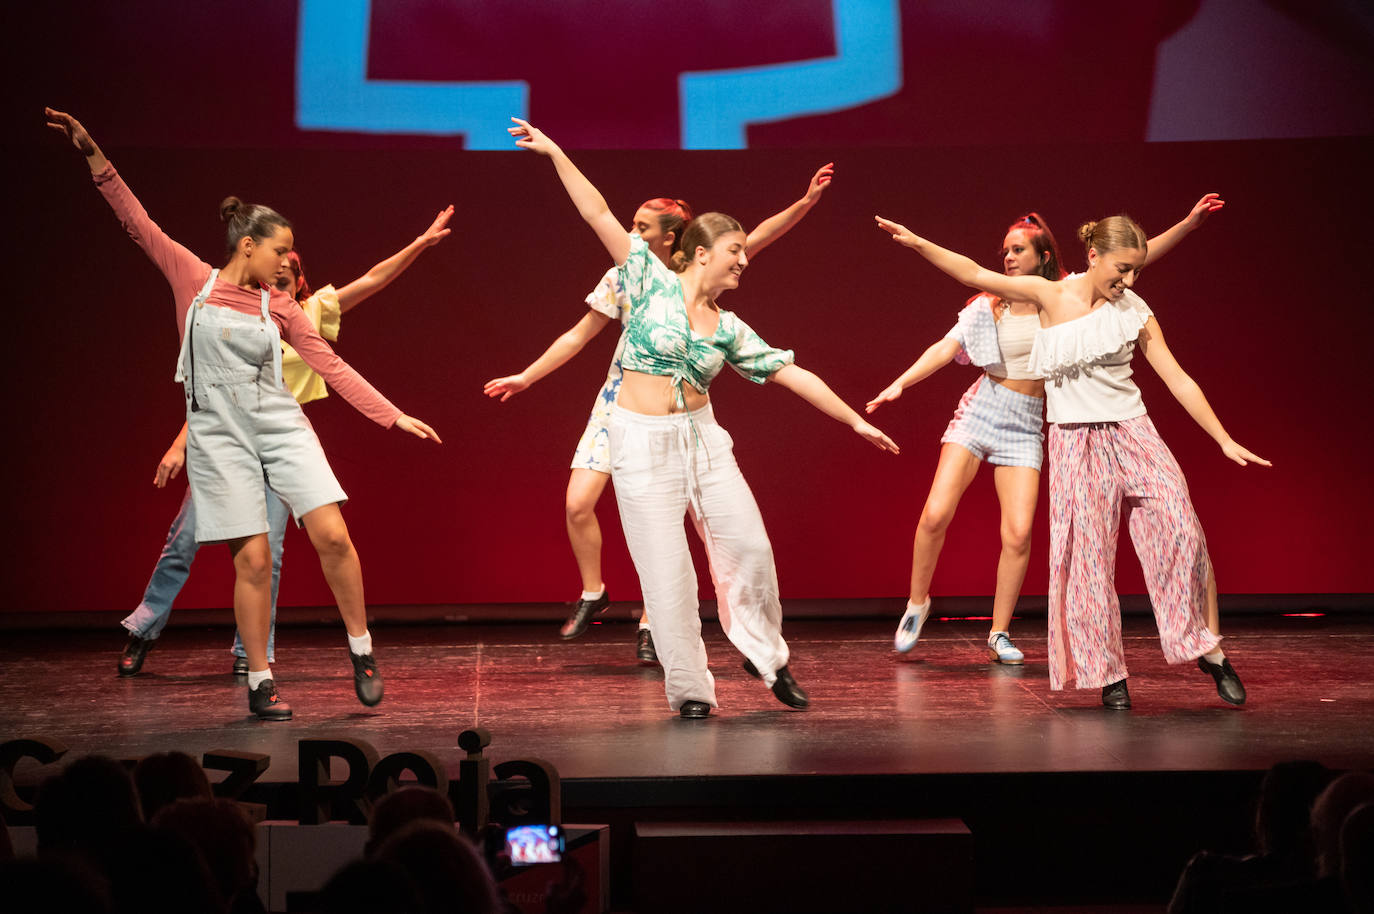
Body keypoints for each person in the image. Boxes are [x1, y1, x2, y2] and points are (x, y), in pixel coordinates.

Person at [47, 107, 441, 720]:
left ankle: (362, 650)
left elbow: (330, 365)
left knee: (333, 535)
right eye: (279, 251)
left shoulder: (280, 307)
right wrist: (93, 155)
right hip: (219, 437)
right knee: (253, 560)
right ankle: (260, 679)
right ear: (248, 245)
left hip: (279, 425)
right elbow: (136, 221)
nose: (286, 262)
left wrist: (391, 415)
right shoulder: (192, 278)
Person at [512, 117, 898, 718]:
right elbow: (596, 212)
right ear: (699, 254)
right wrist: (557, 151)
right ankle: (691, 690)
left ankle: (767, 657)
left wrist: (855, 421)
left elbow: (793, 373)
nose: (744, 260)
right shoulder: (645, 278)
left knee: (751, 550)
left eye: (743, 251)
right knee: (668, 576)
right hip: (640, 442)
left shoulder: (729, 327)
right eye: (734, 251)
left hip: (706, 442)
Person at [874, 210, 1268, 708]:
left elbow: (1178, 377)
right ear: (1093, 256)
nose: (1130, 280)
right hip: (1073, 440)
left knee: (1181, 530)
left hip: (1134, 432)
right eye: (1121, 269)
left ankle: (1206, 650)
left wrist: (1222, 438)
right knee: (1087, 561)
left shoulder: (1133, 309)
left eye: (1136, 271)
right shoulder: (1050, 295)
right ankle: (1107, 674)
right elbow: (973, 273)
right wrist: (917, 242)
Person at [483, 167, 833, 663]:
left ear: (671, 238)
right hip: (618, 402)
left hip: (675, 413)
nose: (632, 233)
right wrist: (527, 376)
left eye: (642, 227)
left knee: (672, 524)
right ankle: (593, 591)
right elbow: (579, 334)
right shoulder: (626, 273)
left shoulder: (696, 273)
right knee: (578, 502)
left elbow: (756, 237)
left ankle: (653, 623)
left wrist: (805, 202)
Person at [117, 211, 453, 679]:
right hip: (225, 439)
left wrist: (418, 243)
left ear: (298, 283)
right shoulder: (218, 299)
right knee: (184, 540)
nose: (278, 278)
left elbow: (372, 282)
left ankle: (252, 655)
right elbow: (210, 386)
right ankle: (144, 629)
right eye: (274, 265)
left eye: (286, 274)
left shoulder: (304, 312)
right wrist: (181, 444)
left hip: (278, 442)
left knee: (266, 557)